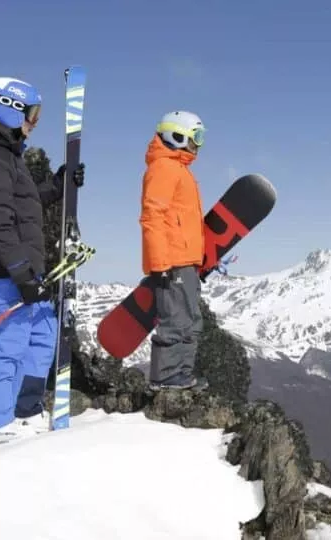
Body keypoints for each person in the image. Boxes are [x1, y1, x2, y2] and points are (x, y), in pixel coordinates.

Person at [0, 76, 84, 442]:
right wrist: (19, 272)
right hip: (5, 271)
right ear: (8, 109)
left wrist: (58, 185)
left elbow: (24, 207)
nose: (35, 121)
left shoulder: (10, 156)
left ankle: (24, 408)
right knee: (8, 344)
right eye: (31, 113)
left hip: (28, 269)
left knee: (44, 335)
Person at [139, 110, 208, 391]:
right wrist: (161, 264)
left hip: (185, 260)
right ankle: (166, 376)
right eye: (196, 137)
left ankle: (181, 374)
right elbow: (152, 216)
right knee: (176, 319)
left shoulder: (180, 170)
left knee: (190, 319)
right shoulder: (164, 168)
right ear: (177, 135)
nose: (199, 145)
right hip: (172, 261)